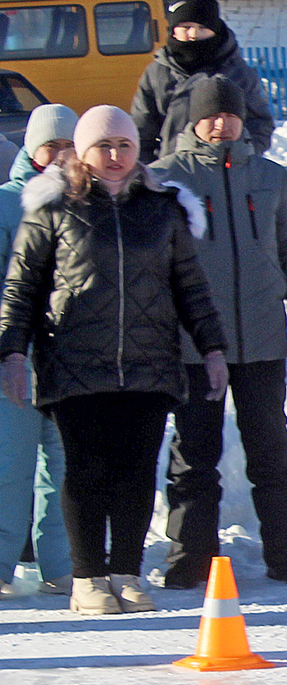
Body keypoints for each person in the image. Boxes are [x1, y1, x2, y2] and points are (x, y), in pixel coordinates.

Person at [0, 106, 228, 615]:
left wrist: (212, 348)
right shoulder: (53, 208)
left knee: (136, 473)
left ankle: (125, 572)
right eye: (103, 146)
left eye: (124, 145)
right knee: (85, 472)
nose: (115, 155)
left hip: (148, 365)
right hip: (76, 363)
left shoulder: (162, 209)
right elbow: (23, 286)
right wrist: (12, 350)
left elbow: (190, 287)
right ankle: (86, 577)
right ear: (82, 152)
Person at [149, 77, 287, 589]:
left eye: (231, 115)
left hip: (262, 339)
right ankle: (190, 556)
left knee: (272, 452)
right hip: (193, 345)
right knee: (194, 454)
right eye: (212, 116)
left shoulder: (270, 179)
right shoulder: (166, 180)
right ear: (194, 121)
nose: (222, 124)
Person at [0, 104, 76, 597]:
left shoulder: (84, 200)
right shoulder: (6, 203)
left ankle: (62, 564)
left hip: (70, 359)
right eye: (50, 145)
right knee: (11, 468)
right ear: (30, 147)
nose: (58, 156)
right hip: (18, 359)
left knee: (64, 468)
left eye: (68, 146)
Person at [132, 0, 274, 164]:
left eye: (202, 27)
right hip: (173, 175)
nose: (193, 34)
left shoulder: (237, 73)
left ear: (215, 29)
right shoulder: (158, 74)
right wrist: (152, 172)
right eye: (186, 27)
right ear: (173, 29)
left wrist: (243, 156)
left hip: (227, 174)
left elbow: (260, 123)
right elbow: (141, 131)